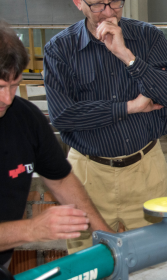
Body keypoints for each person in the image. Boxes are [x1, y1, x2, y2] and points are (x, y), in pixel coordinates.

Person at [43, 0, 167, 253]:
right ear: (77, 1)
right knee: (89, 263)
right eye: (98, 4)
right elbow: (63, 116)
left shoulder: (148, 38)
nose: (108, 13)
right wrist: (129, 107)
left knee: (157, 260)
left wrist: (128, 57)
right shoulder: (60, 50)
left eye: (116, 2)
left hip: (146, 169)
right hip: (87, 176)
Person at [0, 21, 112, 270]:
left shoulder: (26, 118)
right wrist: (31, 229)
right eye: (0, 87)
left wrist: (105, 235)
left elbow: (60, 179)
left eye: (14, 86)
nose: (7, 98)